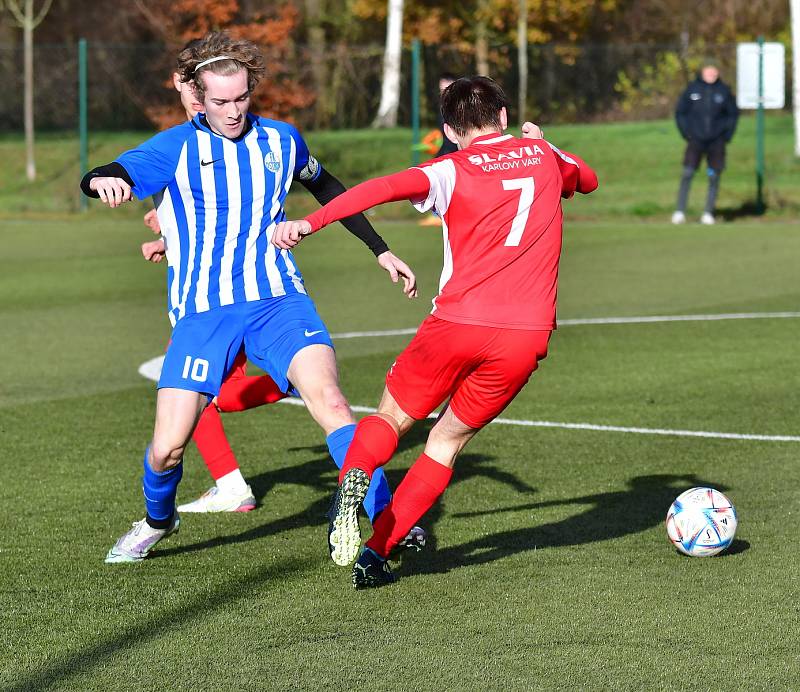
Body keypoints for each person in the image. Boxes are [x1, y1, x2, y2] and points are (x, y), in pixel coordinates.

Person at [81, 31, 421, 563]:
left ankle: (387, 514)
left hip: (278, 299)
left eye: (241, 98)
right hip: (203, 312)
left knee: (331, 402)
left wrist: (379, 248)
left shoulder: (283, 139)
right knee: (168, 447)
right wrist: (104, 181)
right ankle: (156, 520)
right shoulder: (176, 146)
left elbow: (330, 189)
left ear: (251, 90)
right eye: (219, 101)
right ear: (198, 96)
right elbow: (111, 170)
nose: (232, 110)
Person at [273, 76, 598, 588]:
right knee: (444, 445)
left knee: (392, 418)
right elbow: (589, 180)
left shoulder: (449, 167)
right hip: (525, 336)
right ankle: (376, 556)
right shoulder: (543, 156)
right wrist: (542, 144)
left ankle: (354, 478)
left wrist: (309, 225)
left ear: (449, 128)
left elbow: (377, 190)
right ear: (505, 118)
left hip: (457, 324)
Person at [672, 62, 739, 226]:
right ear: (703, 72)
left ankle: (708, 213)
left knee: (714, 176)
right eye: (708, 71)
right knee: (687, 173)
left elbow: (733, 115)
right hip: (695, 140)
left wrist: (726, 135)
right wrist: (686, 133)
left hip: (717, 141)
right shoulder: (692, 89)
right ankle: (680, 211)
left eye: (714, 71)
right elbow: (680, 112)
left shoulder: (724, 91)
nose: (711, 74)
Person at [419, 72, 459, 228]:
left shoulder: (458, 105)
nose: (442, 89)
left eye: (445, 85)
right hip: (445, 150)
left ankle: (441, 213)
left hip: (454, 152)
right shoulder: (444, 104)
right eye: (441, 86)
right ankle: (438, 213)